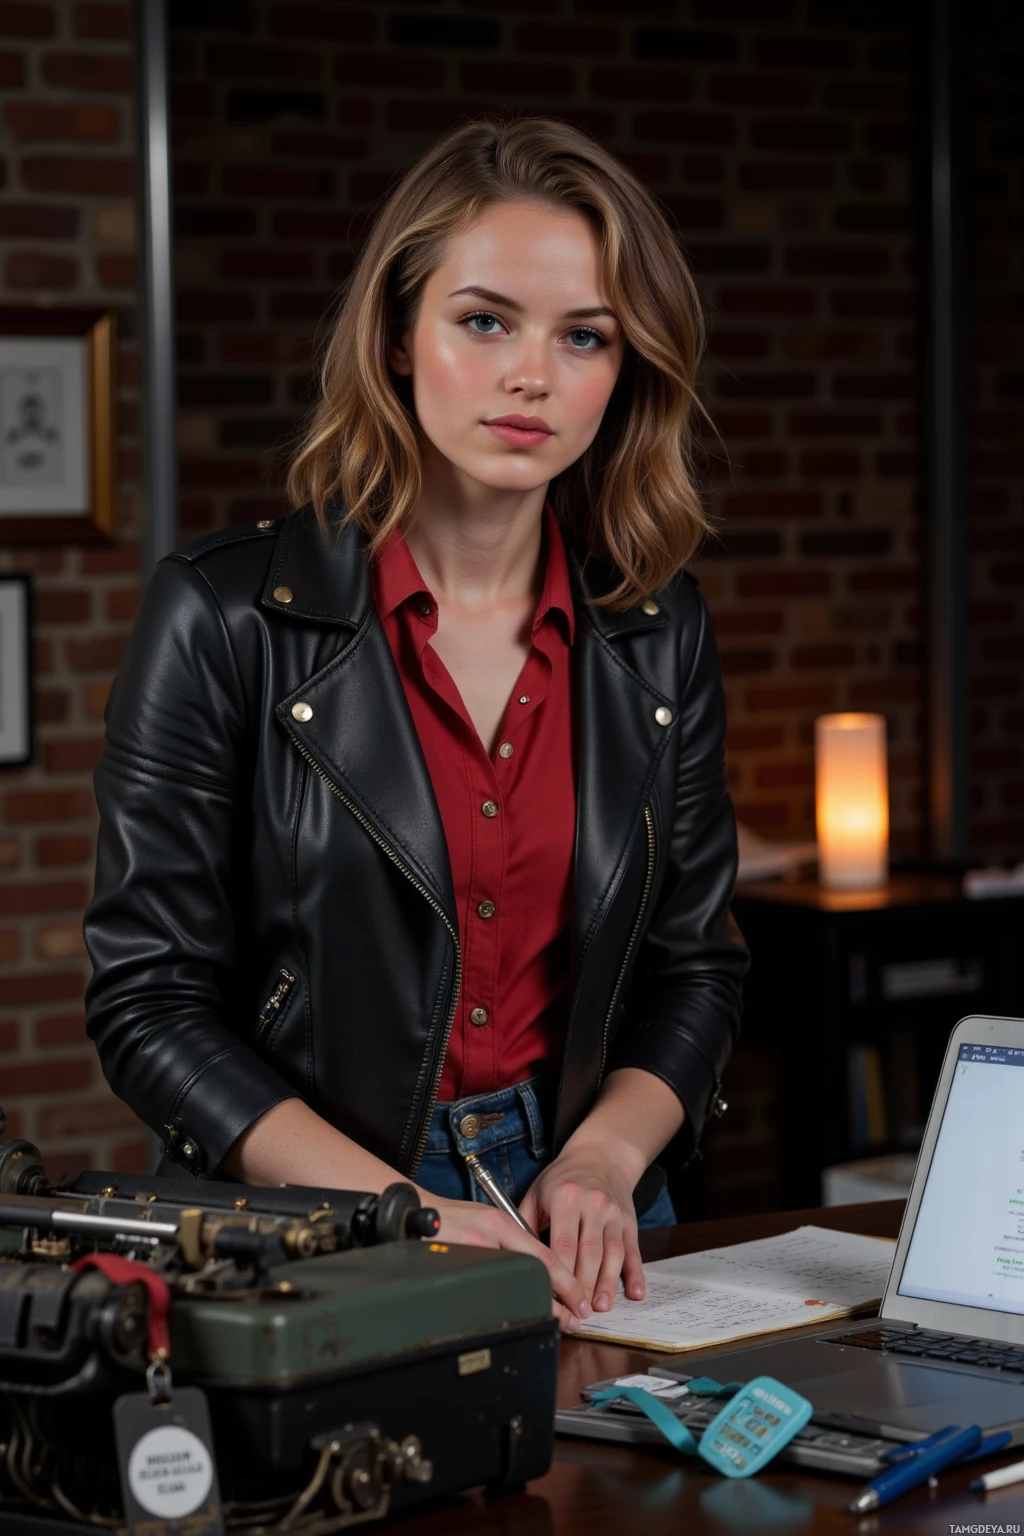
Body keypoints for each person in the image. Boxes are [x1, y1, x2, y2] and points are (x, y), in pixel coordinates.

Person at [84, 117, 748, 1334]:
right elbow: (150, 1003)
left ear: (625, 367)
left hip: (589, 1216)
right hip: (310, 1216)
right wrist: (406, 1209)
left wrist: (604, 1160)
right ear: (398, 335)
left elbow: (694, 966)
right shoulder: (224, 615)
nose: (530, 376)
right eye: (484, 320)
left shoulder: (659, 632)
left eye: (583, 336)